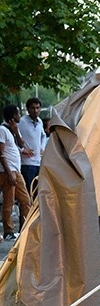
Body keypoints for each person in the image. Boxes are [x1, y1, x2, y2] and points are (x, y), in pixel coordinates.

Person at [0, 105, 32, 241]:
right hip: (9, 171)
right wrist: (9, 172)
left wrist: (16, 131)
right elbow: (1, 153)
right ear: (13, 116)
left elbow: (21, 144)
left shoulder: (11, 130)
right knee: (9, 201)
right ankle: (8, 230)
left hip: (16, 171)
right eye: (18, 113)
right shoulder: (2, 130)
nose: (20, 115)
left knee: (25, 200)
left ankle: (26, 228)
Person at [18, 98, 47, 196]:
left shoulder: (39, 121)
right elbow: (13, 139)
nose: (35, 111)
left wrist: (42, 147)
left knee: (36, 192)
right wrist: (22, 150)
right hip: (26, 163)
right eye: (32, 108)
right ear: (28, 109)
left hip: (38, 162)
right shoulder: (21, 122)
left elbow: (43, 136)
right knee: (28, 192)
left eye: (37, 108)